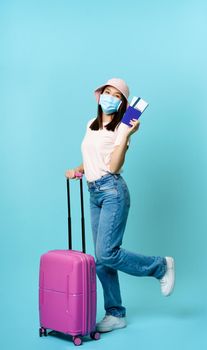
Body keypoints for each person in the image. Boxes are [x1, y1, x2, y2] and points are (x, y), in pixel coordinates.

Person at [65, 78, 175, 333]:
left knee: (106, 253)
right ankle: (115, 314)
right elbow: (95, 158)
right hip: (94, 193)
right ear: (100, 95)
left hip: (113, 191)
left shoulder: (121, 128)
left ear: (123, 104)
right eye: (107, 92)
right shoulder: (91, 124)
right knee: (103, 260)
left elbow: (113, 166)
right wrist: (78, 170)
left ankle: (161, 266)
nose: (110, 97)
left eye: (117, 95)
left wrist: (125, 135)